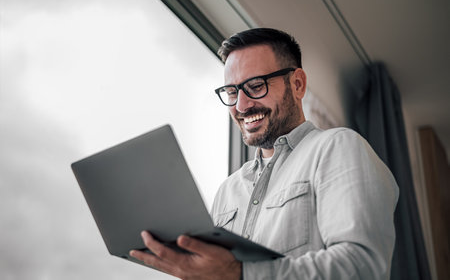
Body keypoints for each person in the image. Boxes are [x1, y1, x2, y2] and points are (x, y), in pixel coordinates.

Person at [130, 28, 399, 279]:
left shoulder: (337, 147)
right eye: (232, 92)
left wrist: (241, 274)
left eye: (256, 86)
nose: (242, 105)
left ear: (297, 85)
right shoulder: (228, 190)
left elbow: (362, 266)